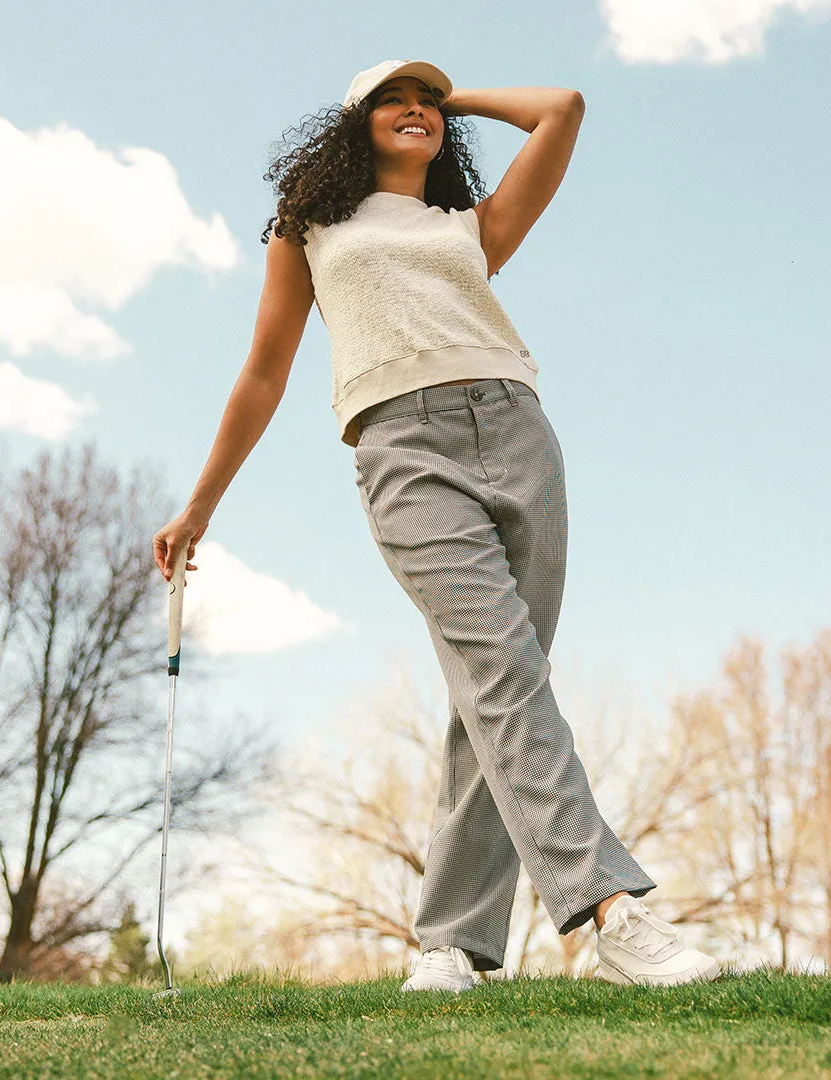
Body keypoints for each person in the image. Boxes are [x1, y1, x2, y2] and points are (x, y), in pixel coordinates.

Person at [152, 59, 722, 993]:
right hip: (403, 448)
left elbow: (563, 109)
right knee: (502, 670)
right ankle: (611, 911)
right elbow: (263, 372)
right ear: (352, 126)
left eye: (425, 100)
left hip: (518, 431)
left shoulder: (469, 227)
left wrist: (444, 101)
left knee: (495, 690)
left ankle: (451, 944)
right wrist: (200, 506)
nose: (413, 107)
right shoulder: (312, 227)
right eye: (391, 99)